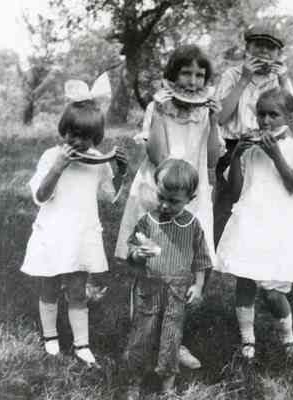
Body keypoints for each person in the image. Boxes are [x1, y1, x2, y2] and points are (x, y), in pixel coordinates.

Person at [115, 45, 222, 368]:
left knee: (182, 270)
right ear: (172, 76)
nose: (192, 81)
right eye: (186, 73)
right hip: (159, 191)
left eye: (200, 74)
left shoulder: (206, 110)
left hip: (193, 194)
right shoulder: (156, 107)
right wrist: (160, 114)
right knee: (148, 267)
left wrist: (215, 120)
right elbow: (159, 158)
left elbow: (214, 158)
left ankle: (173, 340)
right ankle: (140, 338)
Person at [21, 93, 128, 366]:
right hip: (52, 234)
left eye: (85, 136)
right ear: (63, 130)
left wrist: (121, 173)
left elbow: (108, 197)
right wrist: (58, 168)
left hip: (81, 234)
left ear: (95, 138)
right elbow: (41, 196)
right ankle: (50, 337)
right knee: (49, 287)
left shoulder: (97, 161)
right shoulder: (50, 156)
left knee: (78, 291)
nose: (77, 141)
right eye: (71, 134)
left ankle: (82, 344)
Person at [217, 88, 293, 360]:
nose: (266, 120)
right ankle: (248, 340)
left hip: (277, 226)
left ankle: (287, 338)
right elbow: (234, 191)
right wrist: (236, 157)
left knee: (272, 292)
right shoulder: (249, 149)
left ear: (291, 117)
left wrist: (276, 156)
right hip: (248, 222)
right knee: (245, 282)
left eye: (273, 114)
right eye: (261, 114)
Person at [124, 159, 212, 399]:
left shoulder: (192, 225)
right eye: (161, 197)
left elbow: (201, 259)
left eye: (173, 201)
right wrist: (137, 254)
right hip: (149, 289)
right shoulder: (147, 222)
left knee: (171, 338)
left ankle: (167, 385)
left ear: (190, 199)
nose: (164, 205)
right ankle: (135, 380)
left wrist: (198, 284)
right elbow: (130, 253)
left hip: (177, 292)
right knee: (142, 335)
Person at [214, 20, 293, 245]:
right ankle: (213, 261)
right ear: (246, 49)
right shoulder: (232, 74)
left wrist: (284, 79)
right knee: (224, 208)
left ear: (279, 53)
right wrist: (244, 79)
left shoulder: (279, 80)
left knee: (259, 210)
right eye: (257, 44)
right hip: (233, 149)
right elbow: (220, 118)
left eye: (270, 47)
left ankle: (252, 267)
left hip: (268, 150)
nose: (263, 50)